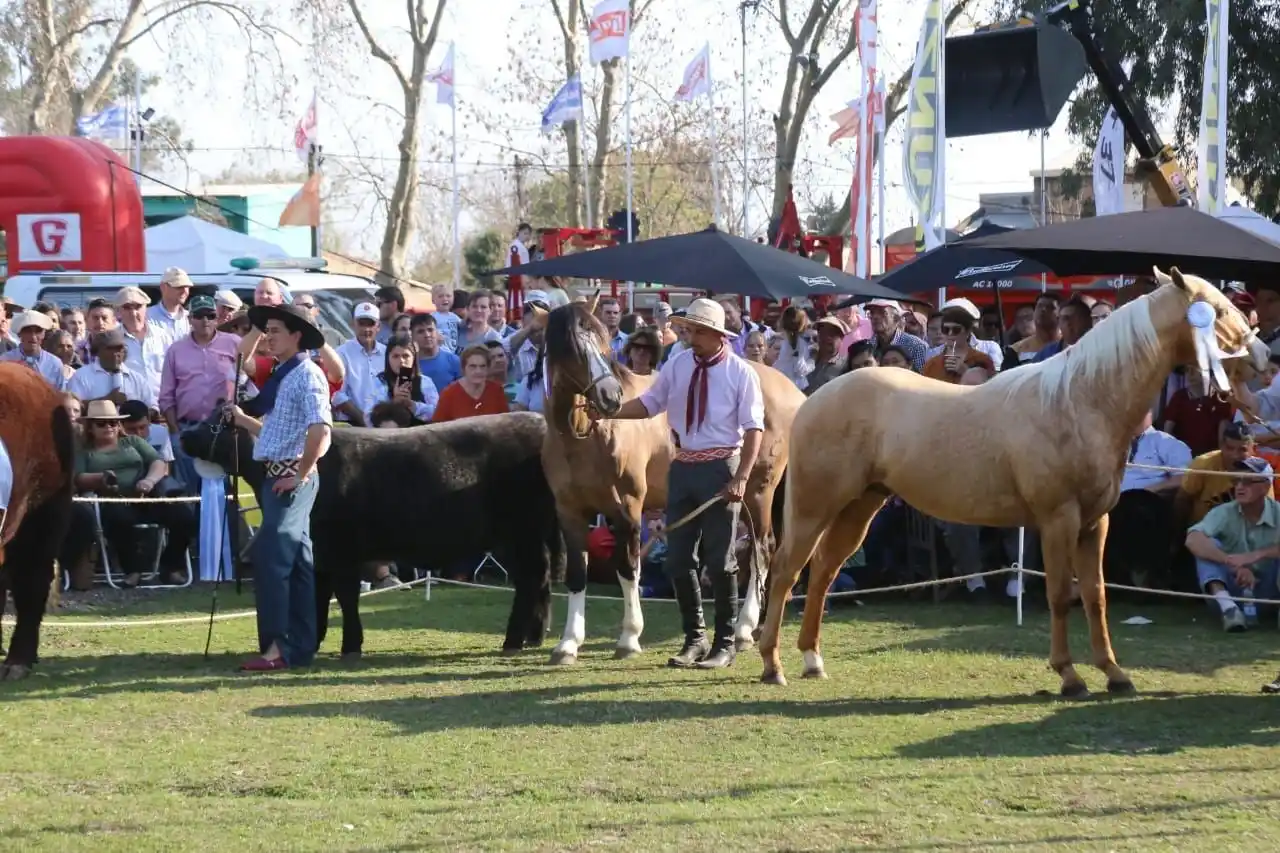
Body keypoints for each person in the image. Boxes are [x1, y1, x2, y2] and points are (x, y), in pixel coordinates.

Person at [588, 298, 763, 670]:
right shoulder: (679, 363)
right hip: (682, 466)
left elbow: (754, 429)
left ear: (717, 335)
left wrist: (741, 477)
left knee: (721, 561)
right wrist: (611, 411)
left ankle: (725, 643)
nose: (690, 336)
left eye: (698, 331)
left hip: (721, 466)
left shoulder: (740, 373)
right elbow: (651, 403)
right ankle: (695, 639)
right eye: (689, 329)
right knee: (679, 560)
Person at [227, 302, 333, 672]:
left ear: (296, 336)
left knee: (273, 559)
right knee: (298, 563)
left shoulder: (307, 374)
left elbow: (321, 431)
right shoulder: (286, 375)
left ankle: (278, 648)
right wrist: (243, 420)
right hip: (281, 476)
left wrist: (300, 474)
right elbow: (280, 433)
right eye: (266, 331)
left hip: (289, 481)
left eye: (274, 331)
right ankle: (298, 648)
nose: (268, 337)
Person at [73, 400, 194, 587]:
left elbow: (158, 462)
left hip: (146, 497)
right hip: (112, 501)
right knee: (119, 518)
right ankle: (133, 570)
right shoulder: (84, 452)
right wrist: (101, 478)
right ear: (90, 428)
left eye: (113, 422)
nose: (109, 427)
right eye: (101, 423)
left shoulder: (133, 442)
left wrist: (149, 480)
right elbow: (79, 478)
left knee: (184, 516)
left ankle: (171, 567)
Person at [1186, 457, 1280, 632]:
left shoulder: (1278, 512)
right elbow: (1193, 539)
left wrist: (1254, 556)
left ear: (1266, 486)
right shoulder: (1224, 511)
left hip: (1269, 592)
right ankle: (1229, 610)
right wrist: (1231, 563)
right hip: (1233, 590)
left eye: (1248, 482)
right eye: (1237, 481)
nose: (1239, 487)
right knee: (1207, 545)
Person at [366, 334, 439, 424]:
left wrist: (413, 405)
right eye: (396, 356)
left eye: (406, 356)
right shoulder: (377, 382)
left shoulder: (425, 382)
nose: (401, 361)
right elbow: (368, 419)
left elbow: (438, 413)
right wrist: (394, 403)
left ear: (413, 358)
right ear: (388, 358)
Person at [432, 345, 510, 422]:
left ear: (488, 368)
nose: (478, 371)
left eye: (482, 366)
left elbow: (506, 422)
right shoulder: (449, 394)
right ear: (463, 368)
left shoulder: (496, 390)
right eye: (472, 366)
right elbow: (438, 426)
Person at [922, 307, 996, 383]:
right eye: (946, 329)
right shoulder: (931, 364)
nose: (950, 334)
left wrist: (967, 372)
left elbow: (991, 387)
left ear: (968, 332)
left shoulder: (982, 360)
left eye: (956, 330)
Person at [1, 311, 67, 390]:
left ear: (43, 334)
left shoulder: (55, 364)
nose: (33, 336)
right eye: (27, 331)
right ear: (19, 333)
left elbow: (61, 394)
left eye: (38, 331)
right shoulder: (6, 360)